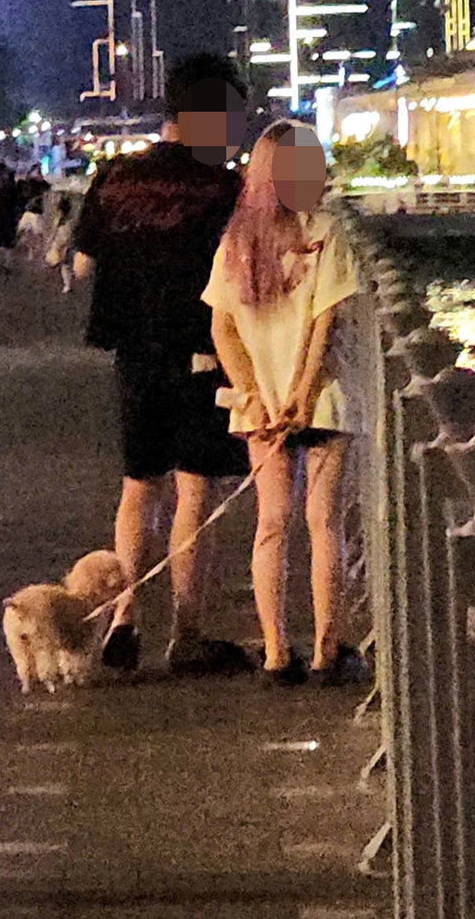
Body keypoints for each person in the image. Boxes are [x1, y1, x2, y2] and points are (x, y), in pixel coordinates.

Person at [72, 54, 252, 676]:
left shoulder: (113, 177)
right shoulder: (225, 186)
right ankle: (187, 631)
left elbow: (81, 266)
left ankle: (124, 614)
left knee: (138, 486)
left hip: (132, 351)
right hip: (202, 352)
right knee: (194, 490)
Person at [205, 122, 369, 687]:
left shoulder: (237, 242)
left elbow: (221, 327)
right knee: (324, 524)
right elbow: (327, 321)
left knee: (270, 524)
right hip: (321, 402)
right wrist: (302, 393)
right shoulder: (326, 232)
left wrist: (254, 392)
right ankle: (327, 649)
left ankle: (277, 653)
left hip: (261, 409)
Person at [0, 164, 24, 273]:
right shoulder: (12, 186)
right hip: (9, 215)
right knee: (7, 242)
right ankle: (6, 264)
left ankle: (0, 263)